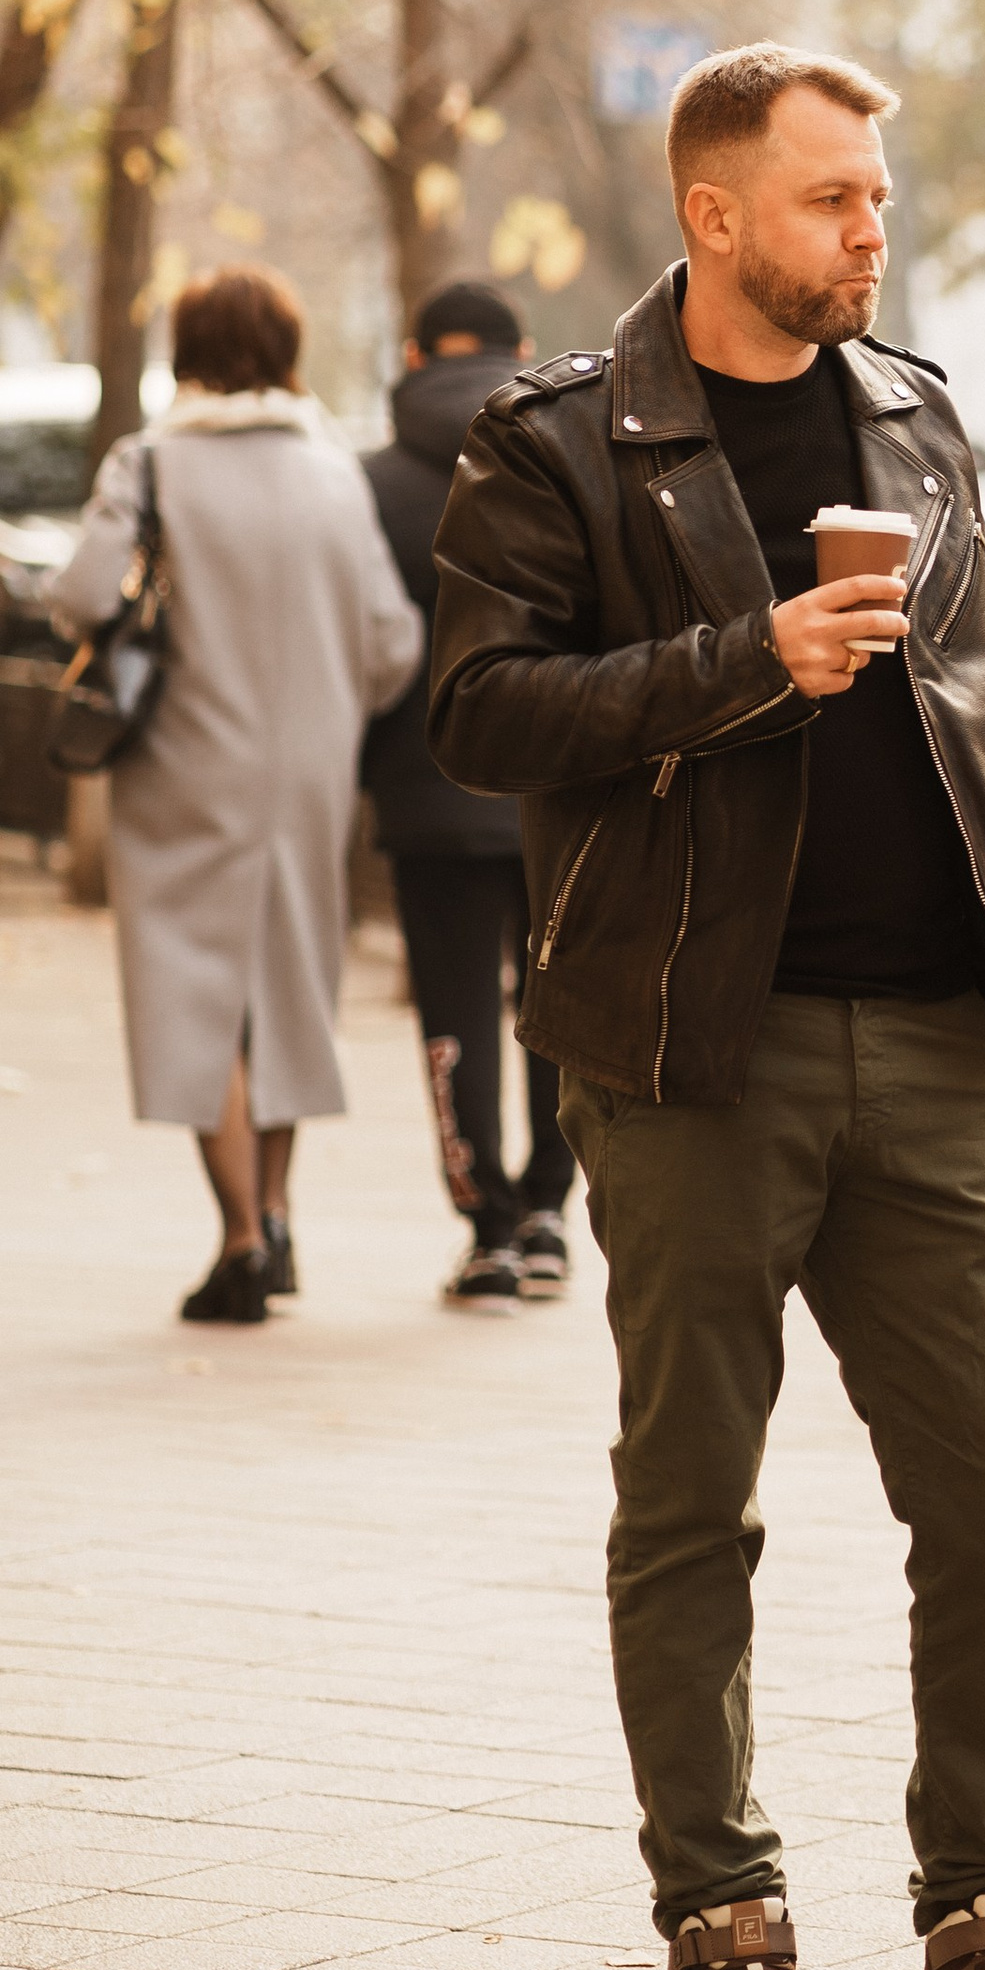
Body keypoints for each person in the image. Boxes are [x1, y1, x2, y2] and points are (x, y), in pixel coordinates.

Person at [429, 41, 985, 1970]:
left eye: (877, 198)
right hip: (688, 1050)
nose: (869, 229)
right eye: (833, 198)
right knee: (690, 1508)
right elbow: (479, 715)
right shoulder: (553, 442)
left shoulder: (915, 414)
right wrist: (748, 663)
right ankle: (722, 1946)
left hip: (937, 1043)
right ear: (714, 213)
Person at [53, 264, 425, 1325]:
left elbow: (82, 591)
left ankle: (239, 1239)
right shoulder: (331, 472)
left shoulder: (151, 461)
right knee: (285, 987)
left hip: (181, 763)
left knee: (192, 987)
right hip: (308, 772)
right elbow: (392, 644)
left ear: (188, 349)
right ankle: (278, 1215)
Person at [363, 279, 576, 1313]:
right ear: (520, 348)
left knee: (452, 1014)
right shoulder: (568, 458)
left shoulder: (369, 484)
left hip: (425, 790)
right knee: (556, 1006)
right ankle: (549, 1213)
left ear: (411, 358)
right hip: (558, 781)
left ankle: (485, 1224)